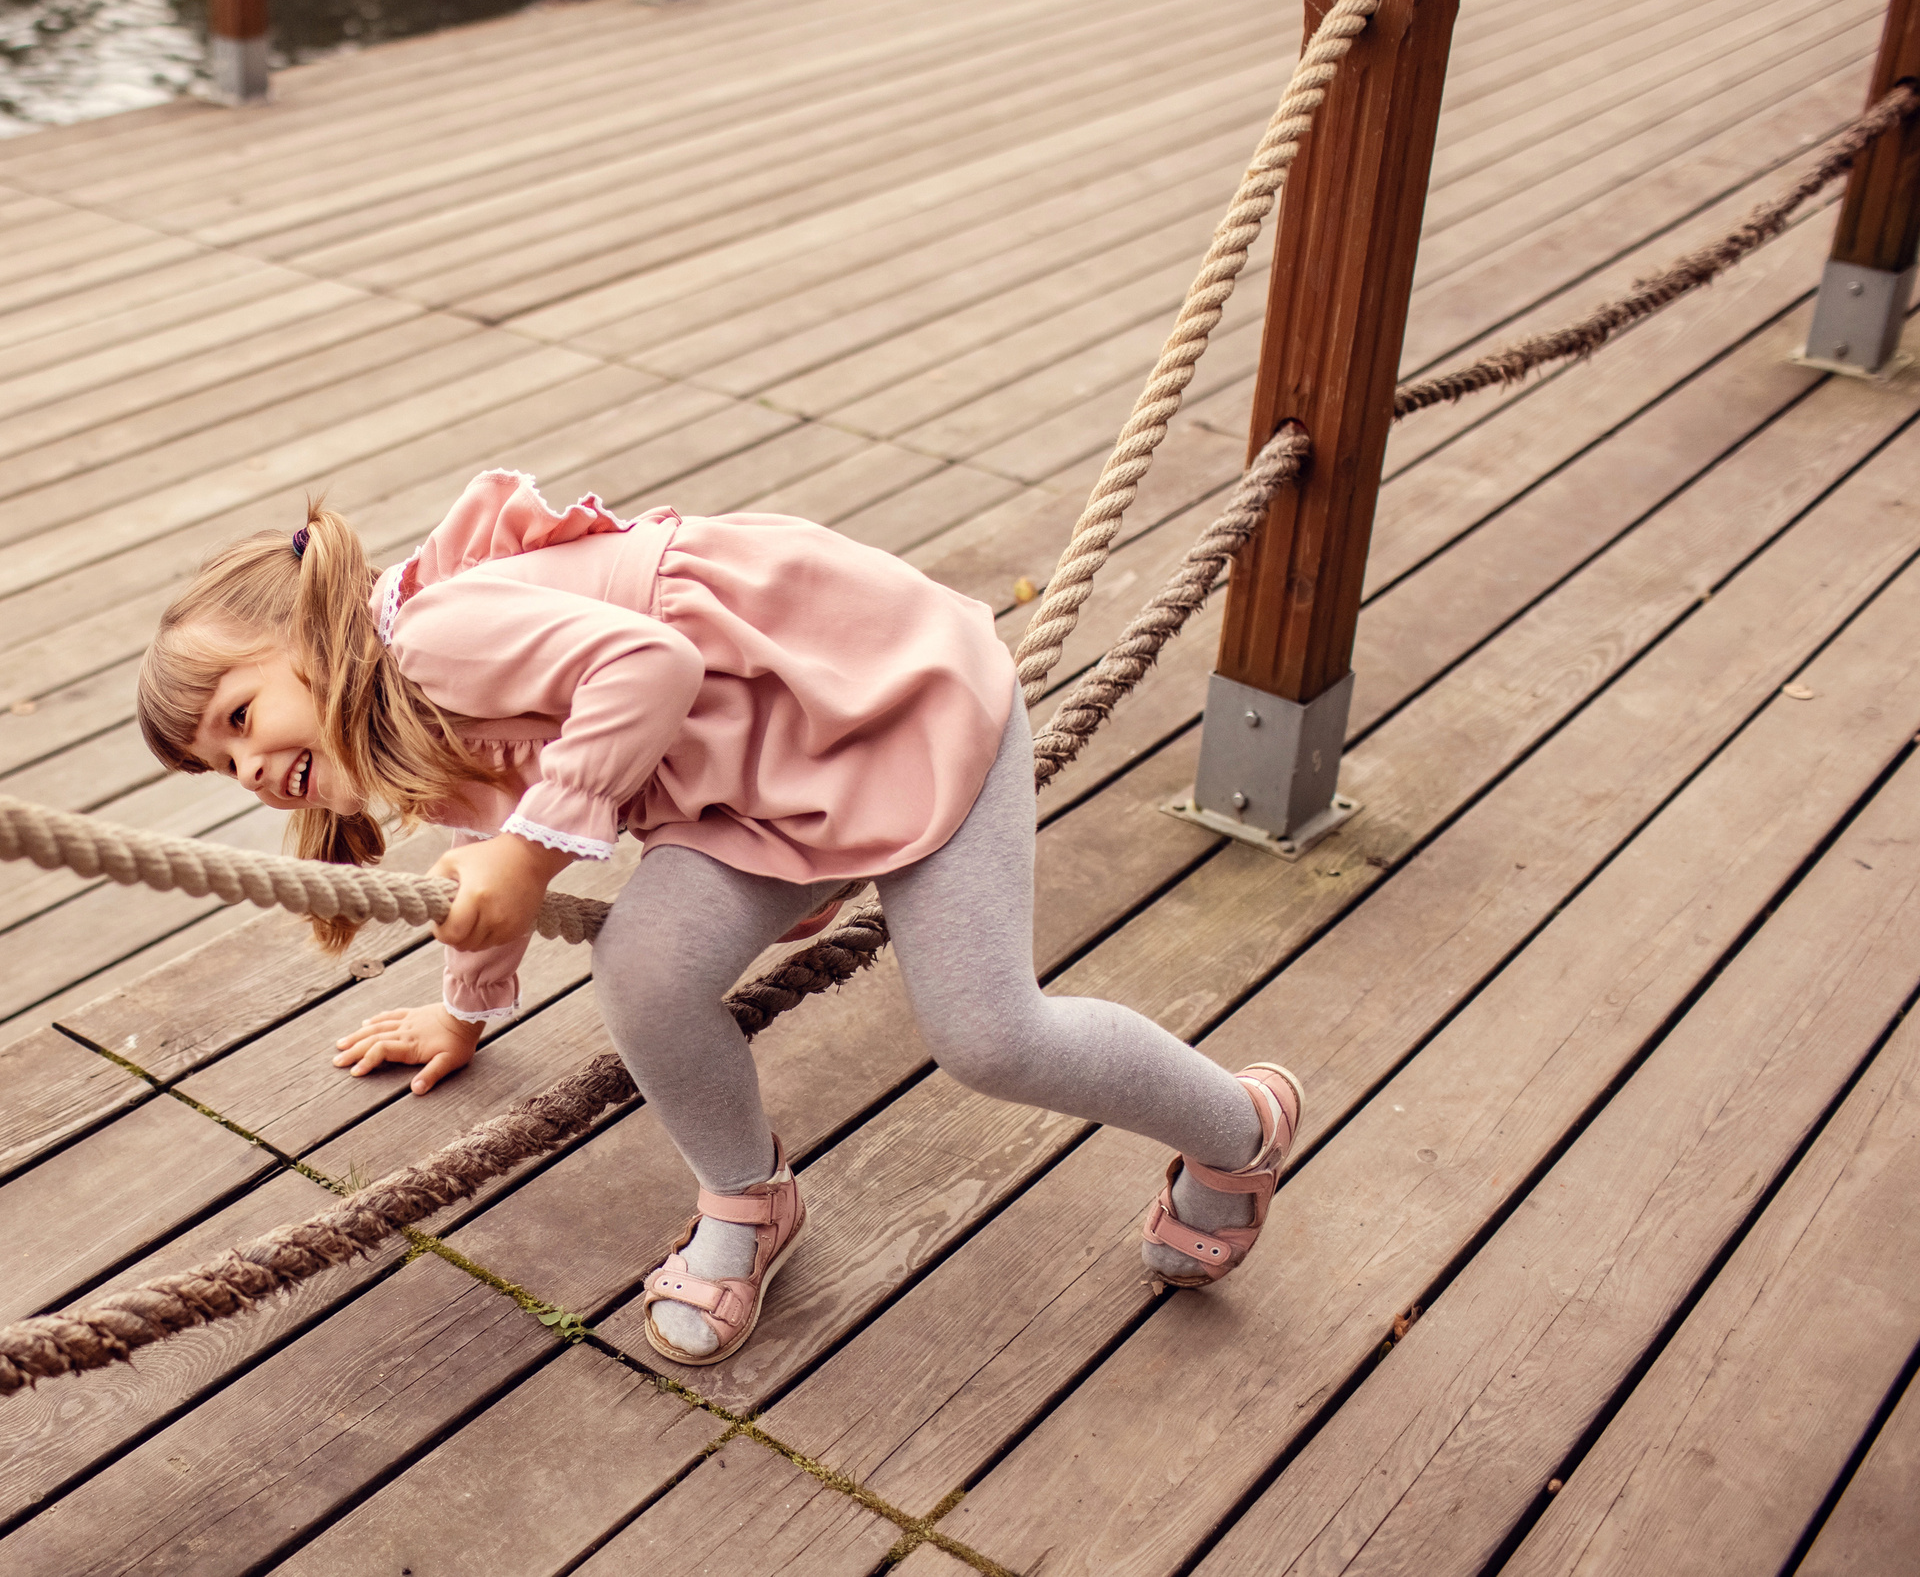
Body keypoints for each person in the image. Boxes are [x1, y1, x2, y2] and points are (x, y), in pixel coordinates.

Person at [137, 471, 1300, 1366]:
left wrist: (534, 856)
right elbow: (485, 867)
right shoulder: (406, 728)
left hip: (894, 704)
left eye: (239, 716)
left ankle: (1237, 1129)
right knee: (644, 971)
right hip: (748, 791)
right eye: (219, 766)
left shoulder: (433, 640)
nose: (248, 768)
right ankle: (749, 1195)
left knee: (989, 1038)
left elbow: (645, 667)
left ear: (314, 635)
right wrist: (464, 1011)